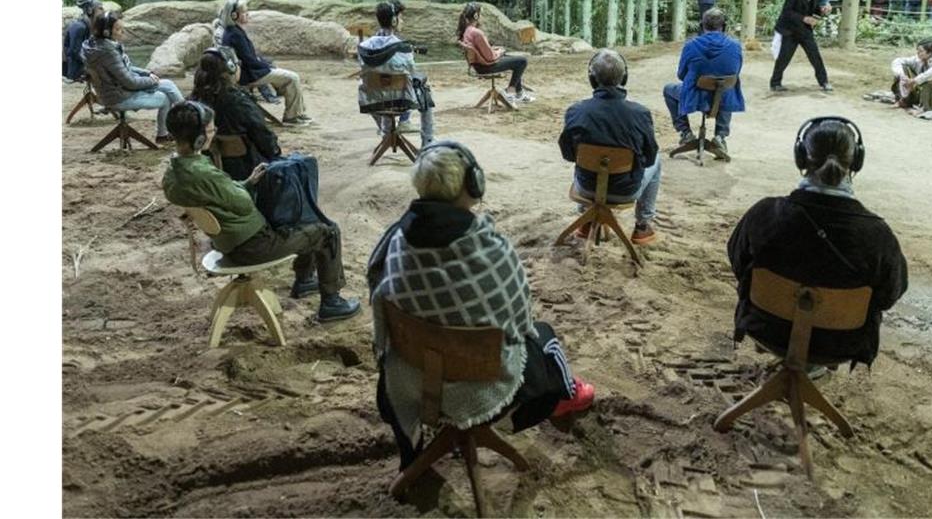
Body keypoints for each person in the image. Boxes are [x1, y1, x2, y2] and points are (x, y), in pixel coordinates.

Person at [367, 141, 595, 469]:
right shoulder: (493, 249)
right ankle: (566, 395)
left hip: (412, 381)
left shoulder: (395, 240)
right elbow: (520, 325)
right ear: (474, 184)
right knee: (544, 334)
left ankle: (416, 455)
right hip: (483, 389)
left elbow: (379, 293)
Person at [727, 117, 908, 369]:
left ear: (801, 157)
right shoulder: (877, 235)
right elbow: (890, 295)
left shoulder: (764, 214)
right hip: (841, 344)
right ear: (856, 162)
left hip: (767, 328)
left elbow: (738, 262)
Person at [162, 101, 361, 319]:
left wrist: (247, 182)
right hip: (253, 246)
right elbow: (243, 203)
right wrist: (248, 190)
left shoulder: (175, 171)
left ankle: (305, 281)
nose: (214, 133)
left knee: (302, 225)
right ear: (198, 138)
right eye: (210, 130)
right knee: (327, 231)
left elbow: (218, 194)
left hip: (225, 241)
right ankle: (331, 302)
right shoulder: (203, 173)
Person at [560, 49, 661, 245]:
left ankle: (587, 221)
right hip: (625, 191)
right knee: (657, 160)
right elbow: (649, 158)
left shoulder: (575, 111)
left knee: (584, 162)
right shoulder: (641, 113)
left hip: (586, 188)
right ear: (624, 78)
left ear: (592, 78)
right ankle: (642, 226)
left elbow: (568, 155)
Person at [81, 12, 184, 143]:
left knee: (168, 85)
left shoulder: (96, 45)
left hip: (115, 91)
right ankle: (189, 119)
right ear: (106, 32)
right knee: (165, 97)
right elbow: (130, 83)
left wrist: (147, 73)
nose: (122, 32)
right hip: (119, 96)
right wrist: (151, 81)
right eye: (118, 29)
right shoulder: (108, 52)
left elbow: (125, 69)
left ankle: (174, 126)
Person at [190, 46, 282, 180]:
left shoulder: (192, 101)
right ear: (231, 68)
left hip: (204, 166)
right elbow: (262, 135)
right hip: (243, 168)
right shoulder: (239, 102)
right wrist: (275, 152)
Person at [663, 7, 745, 156]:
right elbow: (736, 73)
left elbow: (681, 75)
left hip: (696, 97)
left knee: (669, 89)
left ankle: (686, 133)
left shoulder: (691, 45)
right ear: (724, 26)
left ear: (702, 26)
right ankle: (720, 136)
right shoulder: (736, 46)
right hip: (723, 100)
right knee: (726, 87)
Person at [219, 0, 312, 125]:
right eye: (245, 12)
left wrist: (264, 64)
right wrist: (267, 67)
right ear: (234, 15)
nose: (248, 14)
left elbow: (249, 57)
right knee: (293, 77)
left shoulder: (233, 31)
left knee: (283, 75)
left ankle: (297, 112)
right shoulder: (235, 34)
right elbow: (250, 61)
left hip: (244, 72)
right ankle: (292, 117)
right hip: (247, 75)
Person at [358, 0, 434, 144]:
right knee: (424, 90)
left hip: (371, 100)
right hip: (400, 102)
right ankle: (427, 140)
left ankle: (386, 133)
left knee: (383, 84)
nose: (402, 20)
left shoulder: (364, 47)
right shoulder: (403, 48)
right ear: (394, 20)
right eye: (401, 17)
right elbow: (411, 73)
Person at [456, 2, 533, 104]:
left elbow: (483, 52)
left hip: (478, 66)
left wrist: (495, 51)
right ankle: (510, 92)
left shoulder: (467, 31)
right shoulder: (477, 33)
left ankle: (519, 93)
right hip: (487, 67)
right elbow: (490, 58)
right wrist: (499, 52)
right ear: (476, 16)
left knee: (514, 59)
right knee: (522, 61)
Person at [770, 0, 833, 93]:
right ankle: (775, 83)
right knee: (784, 57)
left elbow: (814, 10)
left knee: (815, 56)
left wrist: (823, 11)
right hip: (790, 29)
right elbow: (787, 11)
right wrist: (804, 18)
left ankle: (824, 81)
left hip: (805, 30)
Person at [213, 8, 279, 104]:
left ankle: (276, 90)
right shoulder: (222, 31)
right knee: (257, 69)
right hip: (233, 64)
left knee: (268, 62)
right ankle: (268, 95)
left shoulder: (230, 28)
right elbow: (227, 52)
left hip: (238, 59)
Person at [891, 38, 932, 120]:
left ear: (930, 52)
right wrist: (902, 76)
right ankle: (905, 100)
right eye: (918, 51)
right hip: (920, 91)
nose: (918, 53)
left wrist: (913, 81)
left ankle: (925, 108)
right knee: (903, 68)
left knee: (931, 80)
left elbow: (929, 74)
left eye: (921, 51)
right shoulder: (918, 59)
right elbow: (898, 61)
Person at [63, 0, 103, 83]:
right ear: (90, 10)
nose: (103, 11)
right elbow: (74, 52)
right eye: (100, 8)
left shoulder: (89, 25)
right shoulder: (79, 27)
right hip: (74, 72)